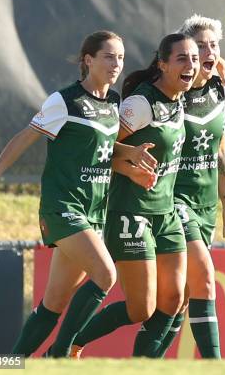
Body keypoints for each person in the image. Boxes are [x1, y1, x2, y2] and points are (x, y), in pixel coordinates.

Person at [0, 31, 155, 357]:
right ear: (88, 60)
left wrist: (129, 160)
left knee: (54, 303)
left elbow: (98, 150)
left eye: (121, 58)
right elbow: (24, 137)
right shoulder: (65, 100)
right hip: (63, 208)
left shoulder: (114, 102)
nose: (117, 64)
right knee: (106, 275)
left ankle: (8, 364)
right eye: (109, 56)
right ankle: (61, 355)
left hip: (93, 212)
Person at [69, 33, 199, 358]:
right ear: (162, 64)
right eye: (182, 59)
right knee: (142, 308)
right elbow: (97, 149)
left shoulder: (179, 97)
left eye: (194, 59)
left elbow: (207, 60)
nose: (191, 65)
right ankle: (68, 345)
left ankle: (143, 366)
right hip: (131, 212)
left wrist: (215, 60)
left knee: (175, 300)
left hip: (166, 214)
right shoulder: (140, 104)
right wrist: (128, 169)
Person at [144, 14, 225, 359]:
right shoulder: (169, 91)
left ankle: (141, 364)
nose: (208, 52)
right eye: (199, 47)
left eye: (214, 46)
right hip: (174, 200)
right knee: (205, 276)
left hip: (206, 204)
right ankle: (216, 365)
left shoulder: (222, 88)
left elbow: (220, 147)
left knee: (180, 300)